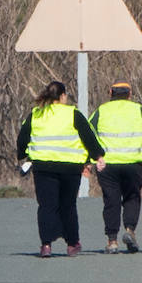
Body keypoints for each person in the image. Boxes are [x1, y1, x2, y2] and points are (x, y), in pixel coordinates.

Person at [16, 80, 104, 257]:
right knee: (68, 205)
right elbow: (88, 137)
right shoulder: (73, 113)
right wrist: (98, 156)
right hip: (70, 167)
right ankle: (72, 244)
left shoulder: (37, 114)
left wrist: (22, 155)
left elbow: (22, 138)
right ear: (63, 96)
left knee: (47, 206)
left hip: (43, 166)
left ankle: (46, 245)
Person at [89, 80, 142, 253]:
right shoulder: (139, 110)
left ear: (110, 93)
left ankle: (112, 240)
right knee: (132, 197)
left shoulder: (101, 111)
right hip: (134, 163)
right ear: (129, 94)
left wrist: (92, 158)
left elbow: (89, 134)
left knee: (111, 200)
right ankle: (130, 229)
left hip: (108, 164)